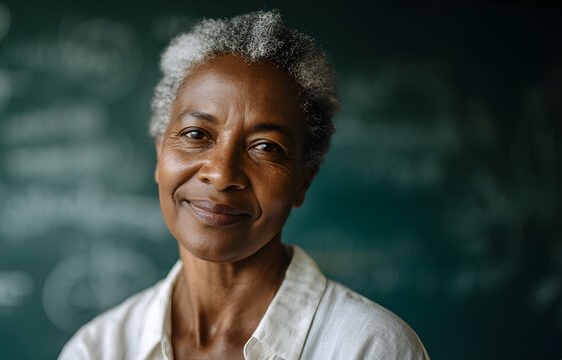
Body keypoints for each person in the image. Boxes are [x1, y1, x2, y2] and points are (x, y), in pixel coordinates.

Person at [59, 10, 429, 360]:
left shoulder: (370, 348)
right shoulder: (98, 349)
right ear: (159, 155)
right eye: (195, 134)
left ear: (304, 180)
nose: (221, 174)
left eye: (266, 147)